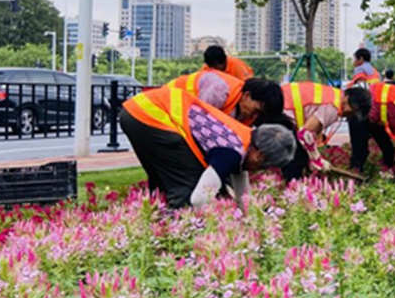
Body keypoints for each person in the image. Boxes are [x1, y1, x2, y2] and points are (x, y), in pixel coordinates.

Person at [119, 86, 295, 211]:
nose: (258, 170)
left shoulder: (245, 139)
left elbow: (243, 192)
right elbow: (199, 198)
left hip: (139, 110)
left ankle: (157, 225)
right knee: (187, 187)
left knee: (164, 182)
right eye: (263, 166)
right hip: (151, 114)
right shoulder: (231, 152)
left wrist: (249, 217)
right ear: (259, 156)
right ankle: (181, 240)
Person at [280, 82, 371, 177]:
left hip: (281, 102)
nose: (350, 116)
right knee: (295, 160)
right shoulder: (333, 107)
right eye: (353, 111)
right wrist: (317, 159)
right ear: (348, 99)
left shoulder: (336, 96)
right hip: (283, 109)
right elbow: (304, 134)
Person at [167, 71, 281, 124]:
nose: (254, 117)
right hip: (166, 105)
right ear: (247, 96)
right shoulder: (219, 91)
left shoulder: (243, 111)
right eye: (256, 111)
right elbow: (197, 123)